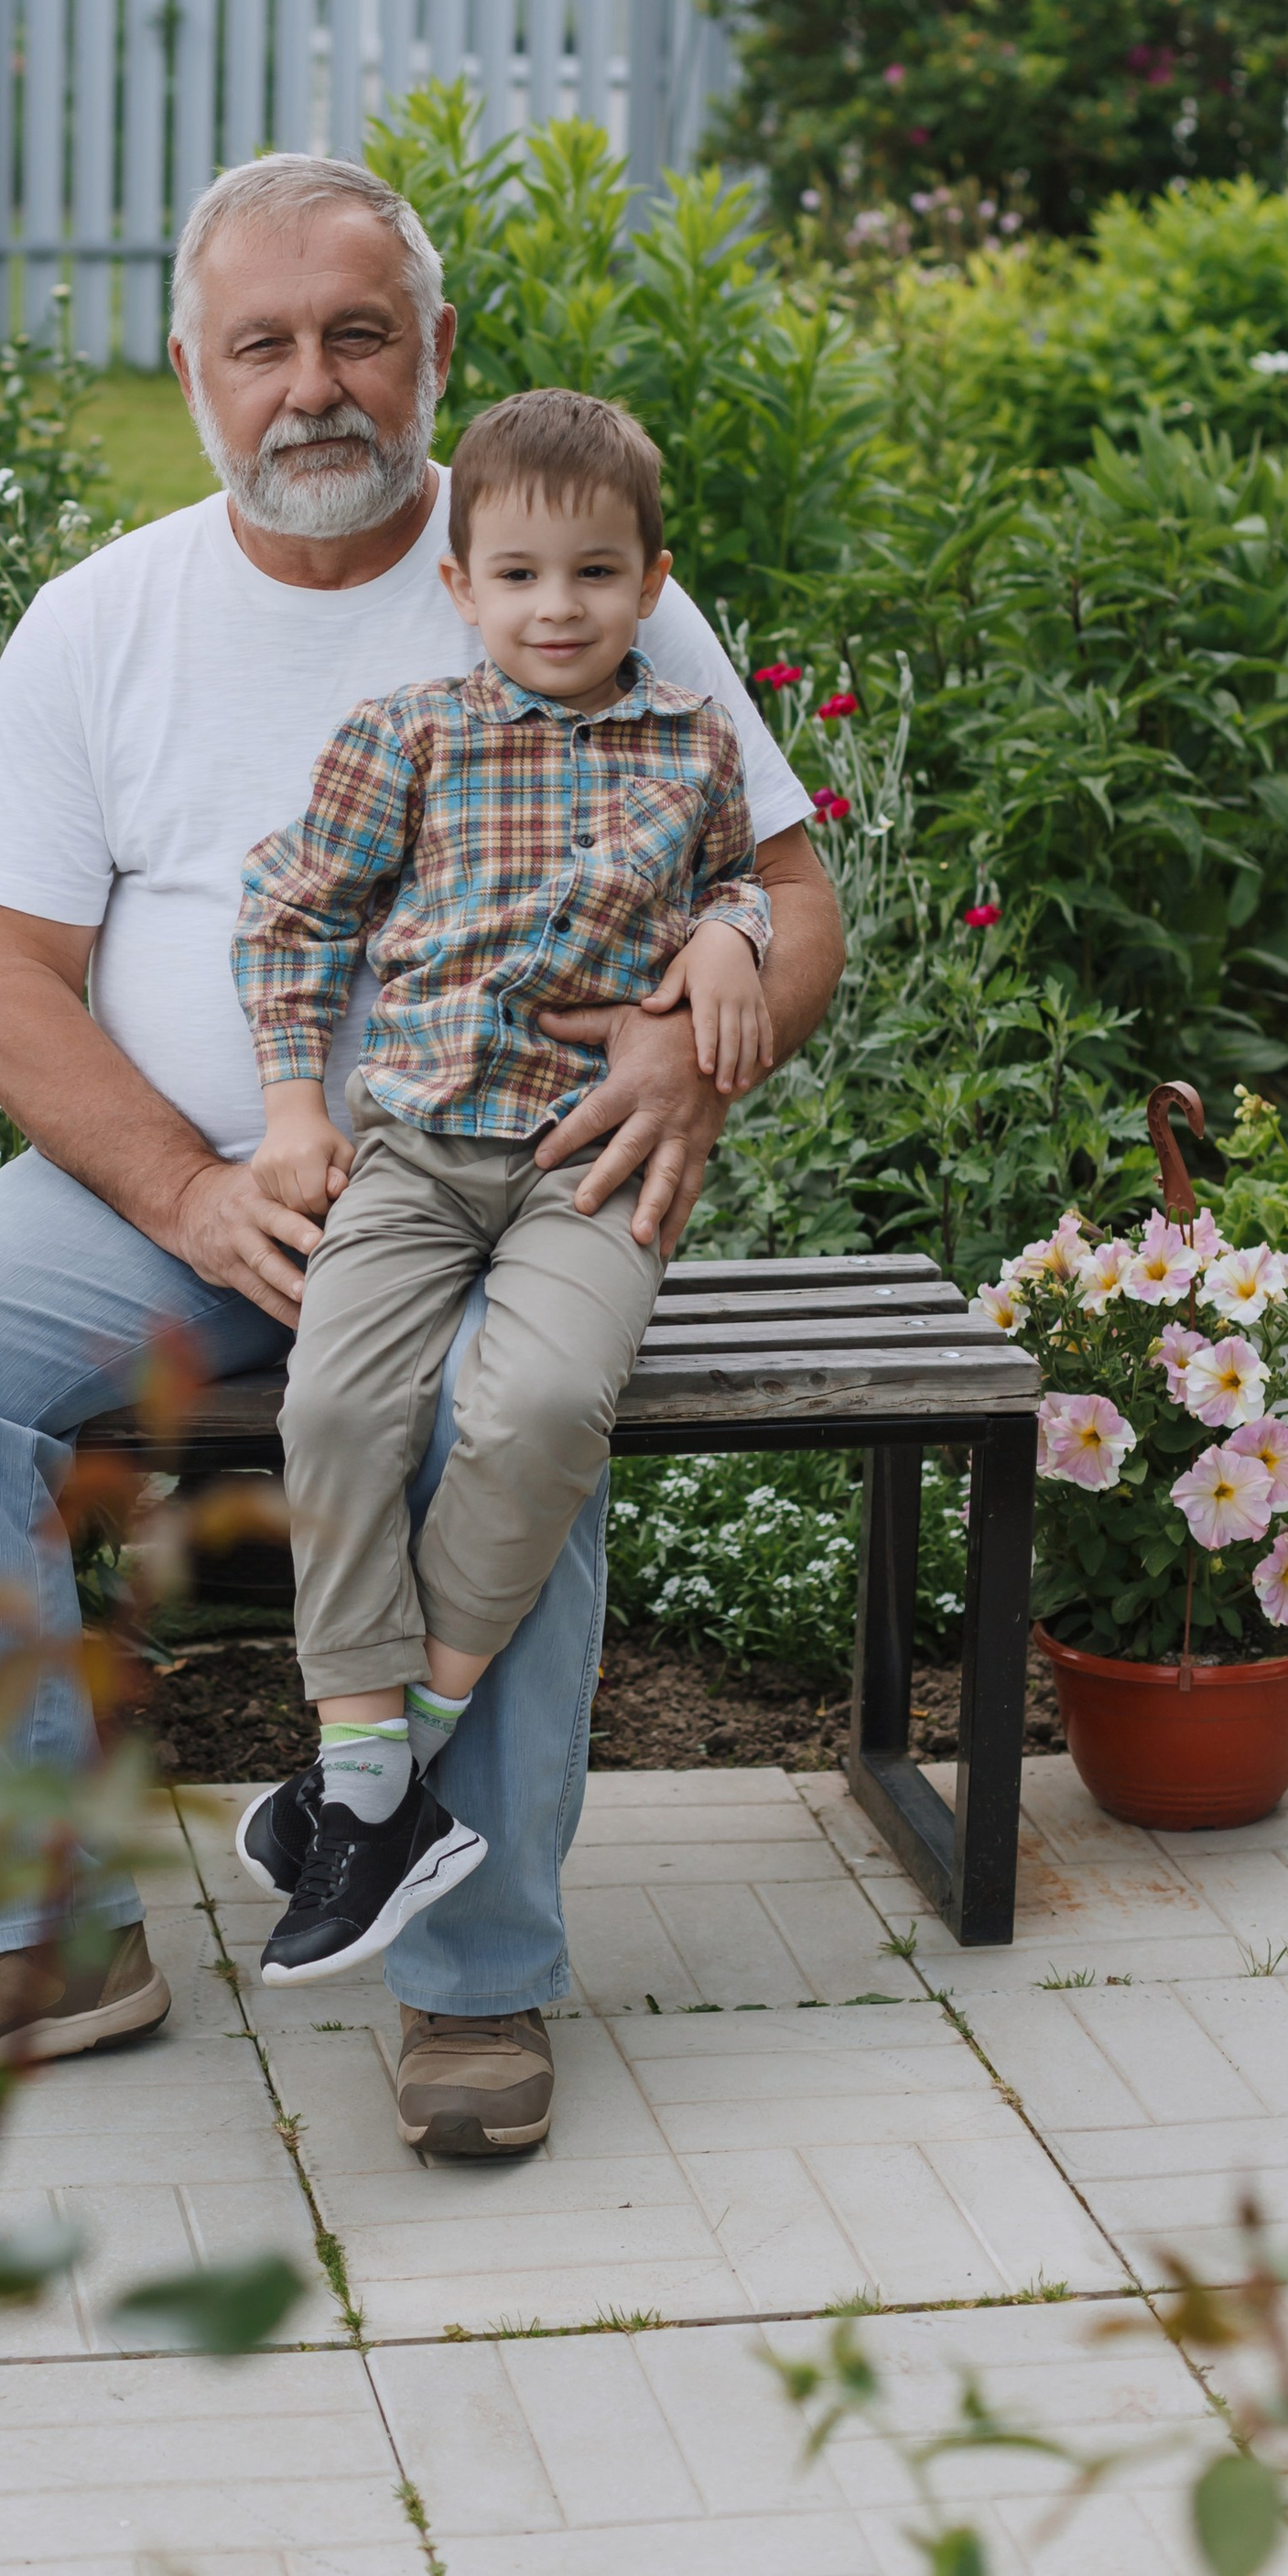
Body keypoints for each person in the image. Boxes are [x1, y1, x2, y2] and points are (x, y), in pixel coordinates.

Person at [0, 151, 844, 2156]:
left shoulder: (563, 566)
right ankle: (32, 1932)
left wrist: (694, 1030)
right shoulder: (101, 620)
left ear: (433, 354)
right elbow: (3, 979)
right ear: (188, 369)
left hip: (512, 1184)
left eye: (357, 336)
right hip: (203, 1193)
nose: (314, 386)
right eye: (262, 344)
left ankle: (477, 1980)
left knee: (501, 1416)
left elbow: (786, 894)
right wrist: (187, 1191)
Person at [233, 388, 773, 1985]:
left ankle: (391, 1768)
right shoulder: (407, 735)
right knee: (335, 1411)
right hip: (408, 1149)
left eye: (597, 575)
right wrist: (285, 1104)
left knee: (535, 1412)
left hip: (588, 1166)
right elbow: (293, 918)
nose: (560, 607)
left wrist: (733, 932)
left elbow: (739, 874)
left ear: (653, 581)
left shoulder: (692, 744)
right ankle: (363, 1777)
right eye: (522, 575)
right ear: (462, 585)